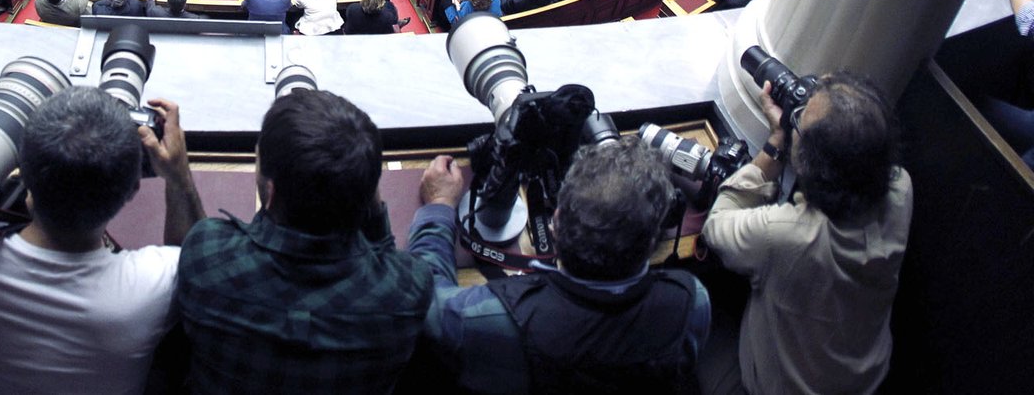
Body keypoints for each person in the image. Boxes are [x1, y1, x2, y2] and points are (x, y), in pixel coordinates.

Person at [0, 86, 204, 395]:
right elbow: (199, 263)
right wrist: (179, 175)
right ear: (135, 188)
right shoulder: (151, 286)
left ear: (22, 169)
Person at [175, 88, 432, 394]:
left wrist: (178, 177)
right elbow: (389, 267)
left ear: (269, 191)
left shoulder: (207, 257)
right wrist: (366, 190)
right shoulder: (407, 292)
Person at [411, 133, 710, 393]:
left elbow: (425, 304)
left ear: (555, 222)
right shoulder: (691, 301)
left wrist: (439, 206)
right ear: (651, 241)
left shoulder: (493, 317)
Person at [702, 73, 912, 395]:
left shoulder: (786, 235)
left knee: (696, 313)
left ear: (809, 165)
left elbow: (717, 225)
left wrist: (776, 141)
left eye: (799, 119)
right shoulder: (900, 190)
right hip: (865, 382)